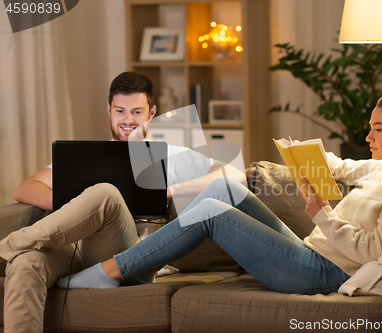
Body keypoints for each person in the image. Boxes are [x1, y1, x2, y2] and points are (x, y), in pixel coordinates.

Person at [58, 82, 382, 295]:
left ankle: (111, 270)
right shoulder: (381, 168)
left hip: (325, 274)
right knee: (223, 189)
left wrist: (323, 216)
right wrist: (302, 154)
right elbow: (340, 165)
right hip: (309, 251)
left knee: (212, 213)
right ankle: (138, 272)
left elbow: (372, 252)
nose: (368, 136)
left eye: (378, 130)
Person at [0, 71, 245, 333]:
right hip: (77, 249)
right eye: (120, 111)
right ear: (109, 110)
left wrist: (171, 190)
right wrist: (77, 205)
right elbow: (25, 189)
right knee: (27, 264)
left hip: (129, 256)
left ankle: (5, 248)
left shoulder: (172, 156)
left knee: (106, 193)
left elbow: (236, 175)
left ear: (152, 113)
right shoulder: (88, 156)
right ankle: (11, 252)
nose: (128, 120)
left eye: (137, 112)